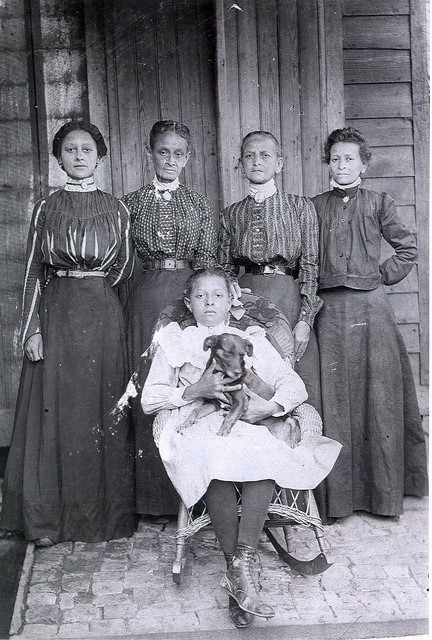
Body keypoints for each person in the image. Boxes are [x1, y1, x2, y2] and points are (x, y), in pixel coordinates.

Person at [142, 267, 341, 628]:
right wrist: (190, 391)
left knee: (262, 451)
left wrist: (272, 407)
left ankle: (238, 566)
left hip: (246, 420)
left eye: (217, 295)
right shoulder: (175, 339)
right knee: (213, 455)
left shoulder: (250, 338)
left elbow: (293, 386)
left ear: (231, 298)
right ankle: (240, 571)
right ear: (189, 302)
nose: (209, 303)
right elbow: (149, 399)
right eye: (200, 297)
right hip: (197, 424)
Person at [0, 121, 136, 546]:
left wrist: (96, 296)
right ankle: (46, 522)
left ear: (100, 156)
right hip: (56, 313)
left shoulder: (116, 208)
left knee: (100, 410)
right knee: (55, 412)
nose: (79, 156)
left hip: (101, 316)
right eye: (71, 150)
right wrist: (32, 329)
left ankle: (102, 521)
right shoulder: (46, 208)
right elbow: (32, 270)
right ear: (59, 159)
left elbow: (125, 268)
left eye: (87, 149)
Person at [311, 126, 428, 519]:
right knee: (335, 398)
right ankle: (340, 499)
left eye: (350, 159)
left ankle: (382, 495)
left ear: (363, 163)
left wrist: (380, 275)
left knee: (378, 399)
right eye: (336, 158)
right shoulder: (314, 206)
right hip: (328, 313)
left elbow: (408, 249)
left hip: (372, 311)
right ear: (328, 162)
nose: (342, 165)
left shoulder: (379, 202)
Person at [122, 120, 217, 517]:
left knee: (186, 380)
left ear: (188, 158)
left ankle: (189, 495)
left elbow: (209, 261)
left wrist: (201, 308)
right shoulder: (129, 203)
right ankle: (150, 499)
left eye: (179, 153)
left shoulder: (198, 204)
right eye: (163, 151)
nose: (171, 160)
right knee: (150, 383)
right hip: (145, 296)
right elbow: (124, 262)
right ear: (150, 154)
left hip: (186, 300)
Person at [218, 131, 322, 412]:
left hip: (287, 296)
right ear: (240, 164)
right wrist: (229, 283)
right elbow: (224, 266)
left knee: (291, 375)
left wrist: (305, 320)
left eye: (265, 155)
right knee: (250, 376)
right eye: (249, 156)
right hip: (246, 299)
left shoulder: (301, 207)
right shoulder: (231, 214)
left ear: (279, 163)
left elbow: (311, 265)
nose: (257, 162)